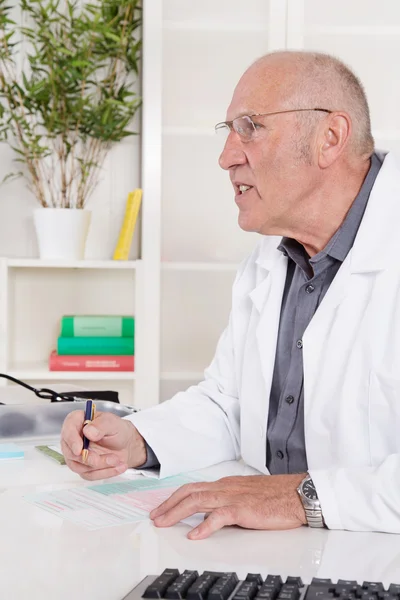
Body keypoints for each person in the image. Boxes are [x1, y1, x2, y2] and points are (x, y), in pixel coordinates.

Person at [61, 50, 400, 539]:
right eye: (228, 132)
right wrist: (136, 440)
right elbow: (229, 403)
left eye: (251, 127)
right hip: (277, 553)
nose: (227, 157)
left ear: (330, 138)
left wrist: (299, 497)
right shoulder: (272, 258)